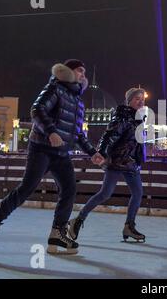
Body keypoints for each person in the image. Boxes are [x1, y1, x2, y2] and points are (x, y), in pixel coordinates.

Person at [0, 59, 104, 259]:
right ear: (67, 72)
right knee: (26, 188)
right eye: (79, 71)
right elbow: (37, 110)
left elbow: (77, 135)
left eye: (84, 72)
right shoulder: (55, 88)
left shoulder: (78, 102)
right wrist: (50, 132)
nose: (83, 75)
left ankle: (57, 233)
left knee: (69, 189)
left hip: (60, 153)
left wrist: (93, 152)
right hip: (41, 147)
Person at [68, 87, 146, 242]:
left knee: (137, 193)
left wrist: (138, 158)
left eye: (142, 99)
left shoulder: (138, 118)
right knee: (105, 194)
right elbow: (108, 136)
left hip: (130, 163)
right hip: (117, 161)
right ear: (129, 100)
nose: (141, 101)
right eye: (137, 98)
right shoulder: (122, 117)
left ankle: (129, 226)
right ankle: (78, 220)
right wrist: (102, 153)